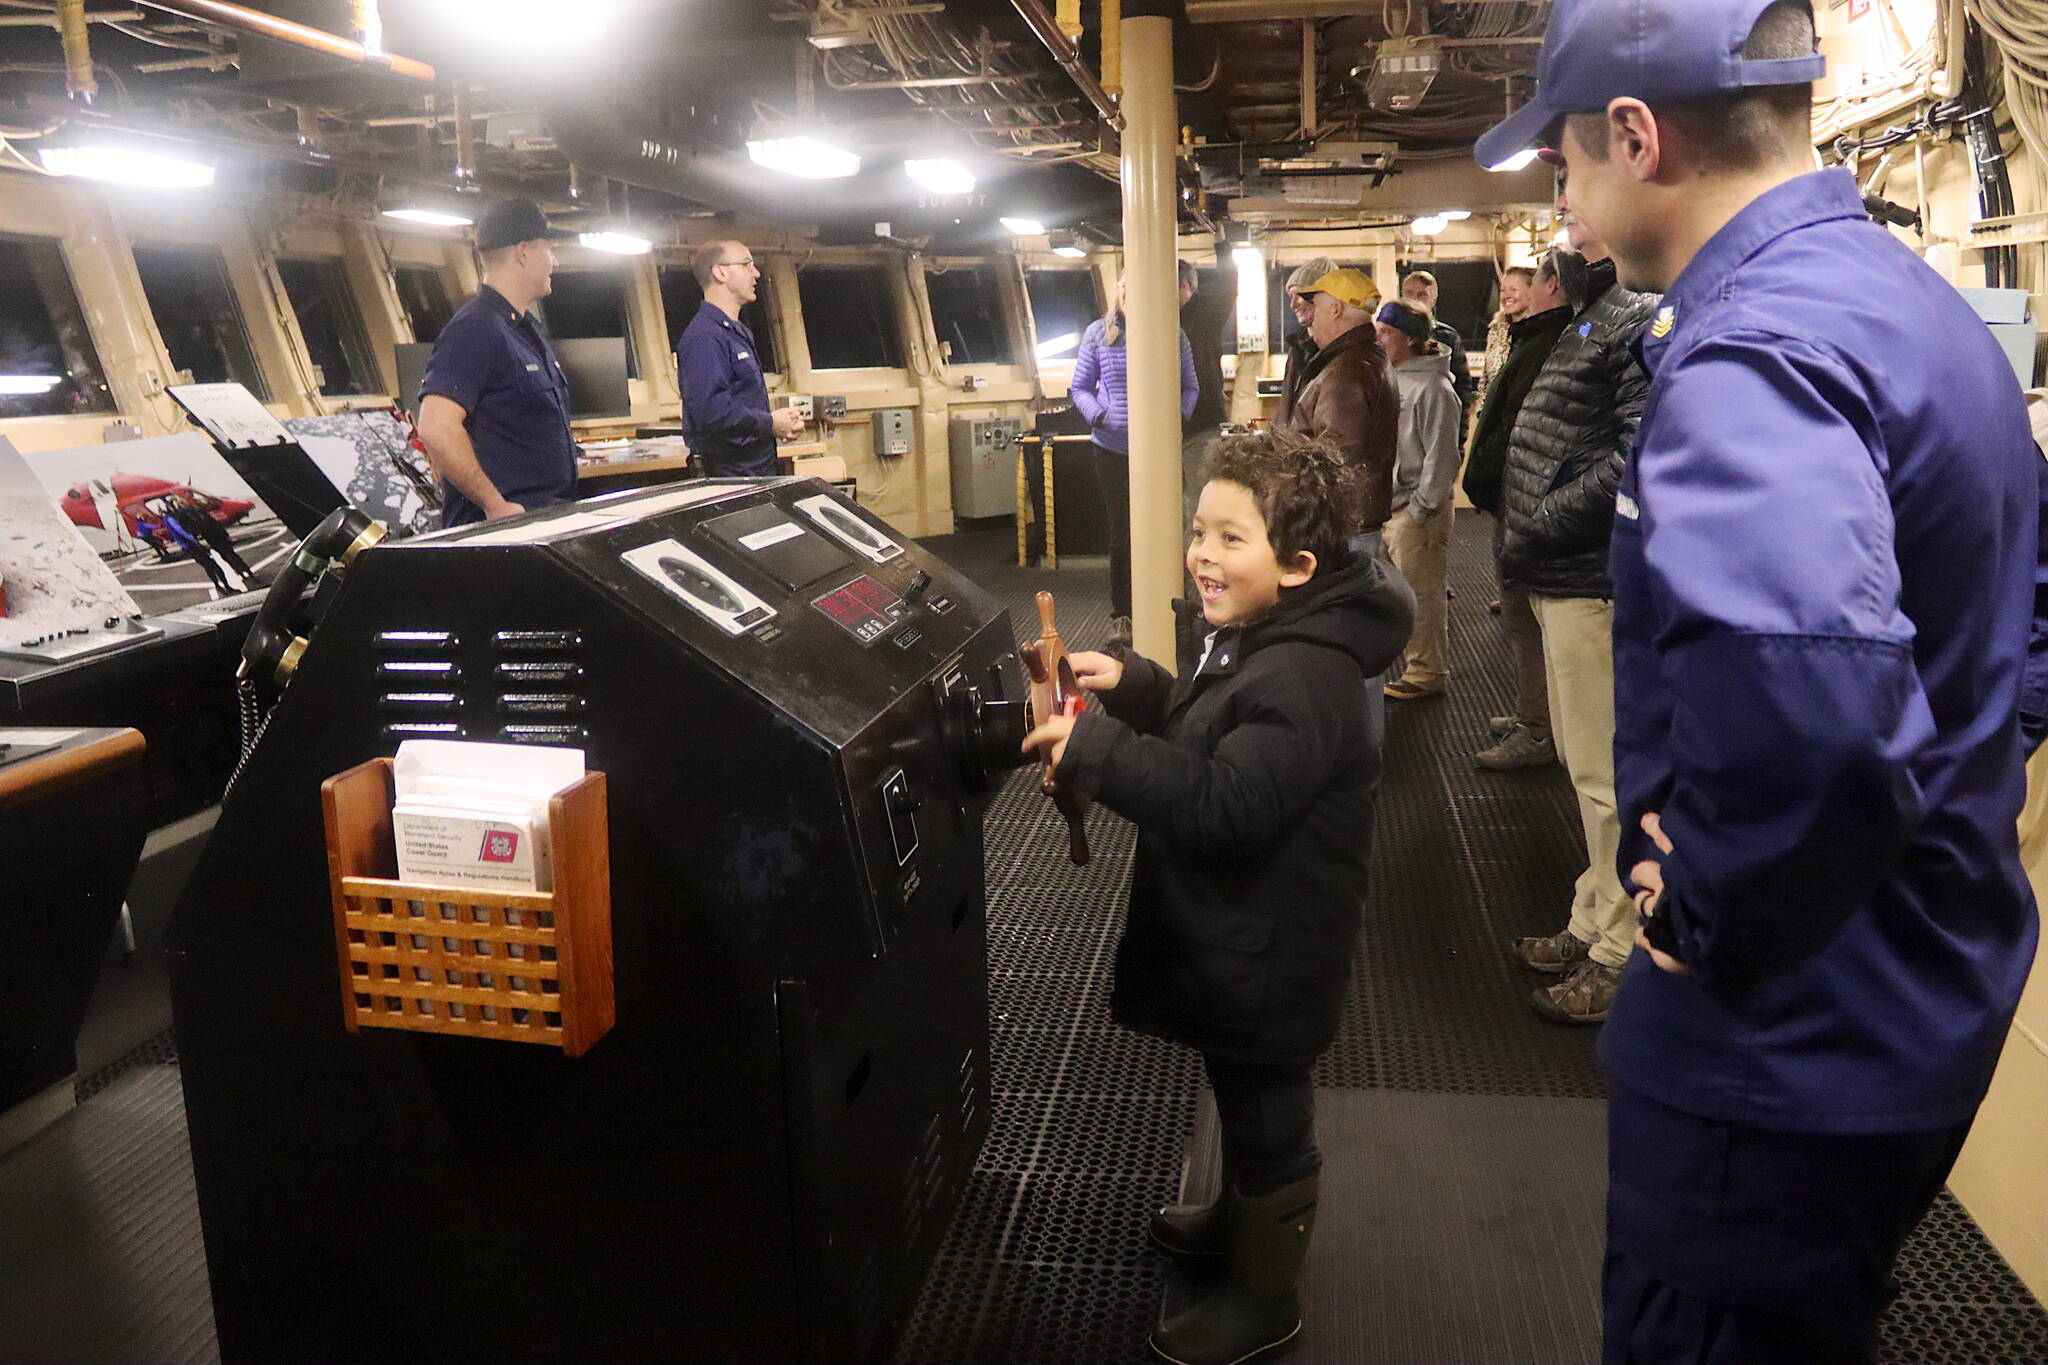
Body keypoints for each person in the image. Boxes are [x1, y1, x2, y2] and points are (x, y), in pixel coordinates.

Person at [1477, 1, 2045, 1359]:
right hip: (1920, 986)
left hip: (1782, 1041)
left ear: (1635, 134)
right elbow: (2025, 609)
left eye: (1564, 161)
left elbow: (1822, 713)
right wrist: (1975, 766)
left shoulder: (1749, 354)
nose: (1564, 195)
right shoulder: (1912, 307)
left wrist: (1704, 907)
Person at [1021, 431, 1414, 1365]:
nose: (1202, 554)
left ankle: (1264, 1295)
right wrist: (1143, 688)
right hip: (1241, 934)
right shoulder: (1262, 638)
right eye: (1202, 532)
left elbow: (1228, 804)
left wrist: (1097, 750)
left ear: (1299, 564)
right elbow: (1216, 731)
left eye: (1231, 539)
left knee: (1270, 1113)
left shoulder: (1306, 674)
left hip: (1276, 947)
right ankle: (1235, 1222)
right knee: (1238, 1088)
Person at [1497, 166, 1658, 1025]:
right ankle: (1591, 911)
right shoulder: (1602, 305)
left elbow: (1640, 454)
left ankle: (1619, 947)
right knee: (1581, 763)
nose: (1563, 207)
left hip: (1587, 574)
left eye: (1577, 189)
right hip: (1561, 573)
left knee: (1604, 775)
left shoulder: (1640, 311)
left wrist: (1547, 517)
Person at [1463, 255, 1573, 771]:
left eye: (1520, 287)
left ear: (1550, 288)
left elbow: (1528, 429)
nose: (1511, 296)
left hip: (1526, 503)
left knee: (1527, 619)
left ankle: (1538, 728)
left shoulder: (1549, 344)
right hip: (1516, 499)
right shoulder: (1527, 340)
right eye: (1504, 289)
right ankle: (1537, 712)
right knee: (1521, 617)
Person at [417, 199, 580, 527]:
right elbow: (436, 428)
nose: (555, 262)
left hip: (544, 519)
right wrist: (494, 505)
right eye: (548, 249)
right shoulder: (475, 329)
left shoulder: (524, 329)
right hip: (505, 529)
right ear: (523, 252)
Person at [1069, 265, 1199, 644]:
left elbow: (1190, 387)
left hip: (1158, 453)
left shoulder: (1170, 333)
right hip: (1111, 449)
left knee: (1164, 530)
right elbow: (1080, 388)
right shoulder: (1098, 333)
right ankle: (1123, 615)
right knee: (1122, 536)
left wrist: (1175, 418)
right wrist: (1100, 416)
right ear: (1118, 291)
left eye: (1136, 288)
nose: (1129, 294)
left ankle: (1167, 607)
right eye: (1124, 287)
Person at [1375, 298, 1462, 702]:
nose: (1379, 339)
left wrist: (1421, 508)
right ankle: (1414, 662)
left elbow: (1442, 456)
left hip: (1414, 510)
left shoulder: (1434, 389)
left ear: (1410, 339)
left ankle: (1428, 671)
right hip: (1392, 506)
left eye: (1386, 333)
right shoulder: (1393, 378)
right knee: (1403, 589)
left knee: (1422, 593)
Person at [1278, 269, 1397, 551]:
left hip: (1340, 532)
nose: (1311, 318)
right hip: (1356, 525)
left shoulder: (1345, 373)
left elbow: (1335, 458)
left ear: (1335, 310)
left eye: (1315, 307)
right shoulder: (1366, 358)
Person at [678, 240, 804, 478]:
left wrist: (778, 423)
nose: (756, 273)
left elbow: (742, 402)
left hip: (756, 470)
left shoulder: (737, 332)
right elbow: (711, 412)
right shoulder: (705, 337)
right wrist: (769, 423)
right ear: (720, 272)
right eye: (747, 264)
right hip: (729, 477)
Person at [1398, 270, 1476, 436]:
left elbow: (1462, 388)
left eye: (1422, 294)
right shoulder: (1390, 334)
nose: (1415, 299)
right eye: (1409, 293)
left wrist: (1460, 435)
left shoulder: (1447, 337)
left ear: (1433, 300)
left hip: (1438, 423)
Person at [1274, 256, 1339, 425]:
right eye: (1291, 296)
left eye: (1300, 295)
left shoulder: (1340, 352)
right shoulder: (1297, 348)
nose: (1293, 304)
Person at [1474, 265, 1535, 409]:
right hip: (1497, 421)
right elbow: (1486, 380)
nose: (1506, 295)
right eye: (1503, 290)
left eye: (1514, 290)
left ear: (1532, 292)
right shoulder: (1496, 330)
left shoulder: (1542, 332)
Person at [166, 495, 255, 589]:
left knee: (223, 559)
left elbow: (189, 529)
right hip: (214, 536)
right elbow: (211, 522)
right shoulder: (195, 510)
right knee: (229, 556)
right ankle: (245, 573)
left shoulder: (181, 515)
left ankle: (236, 577)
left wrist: (198, 539)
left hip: (208, 538)